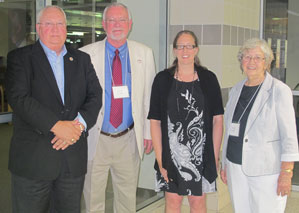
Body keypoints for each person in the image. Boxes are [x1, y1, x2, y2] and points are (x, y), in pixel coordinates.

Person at [5, 6, 102, 213]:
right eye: (49, 24)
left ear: (66, 29)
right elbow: (19, 98)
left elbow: (95, 96)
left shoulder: (82, 60)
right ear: (39, 28)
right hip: (33, 163)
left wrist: (77, 126)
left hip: (71, 161)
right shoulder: (20, 58)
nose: (55, 29)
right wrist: (56, 126)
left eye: (60, 24)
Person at [80, 3, 156, 213]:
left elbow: (149, 96)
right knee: (92, 198)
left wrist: (148, 132)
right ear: (104, 24)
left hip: (129, 138)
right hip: (96, 137)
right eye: (111, 20)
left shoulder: (144, 53)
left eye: (122, 20)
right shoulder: (85, 55)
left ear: (130, 24)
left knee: (126, 199)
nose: (117, 24)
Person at [148, 30, 224, 213]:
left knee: (197, 203)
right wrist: (160, 160)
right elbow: (155, 121)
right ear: (174, 50)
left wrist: (213, 157)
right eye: (180, 46)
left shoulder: (209, 78)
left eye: (189, 46)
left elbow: (217, 120)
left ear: (196, 49)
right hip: (170, 155)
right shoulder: (162, 79)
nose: (185, 50)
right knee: (172, 202)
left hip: (202, 155)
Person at [220, 38, 299, 213]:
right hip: (235, 165)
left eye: (257, 57)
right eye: (247, 57)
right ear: (241, 62)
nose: (251, 62)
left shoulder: (279, 90)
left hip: (266, 170)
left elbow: (289, 135)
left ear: (266, 62)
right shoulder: (236, 90)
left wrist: (287, 172)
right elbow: (229, 131)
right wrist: (224, 162)